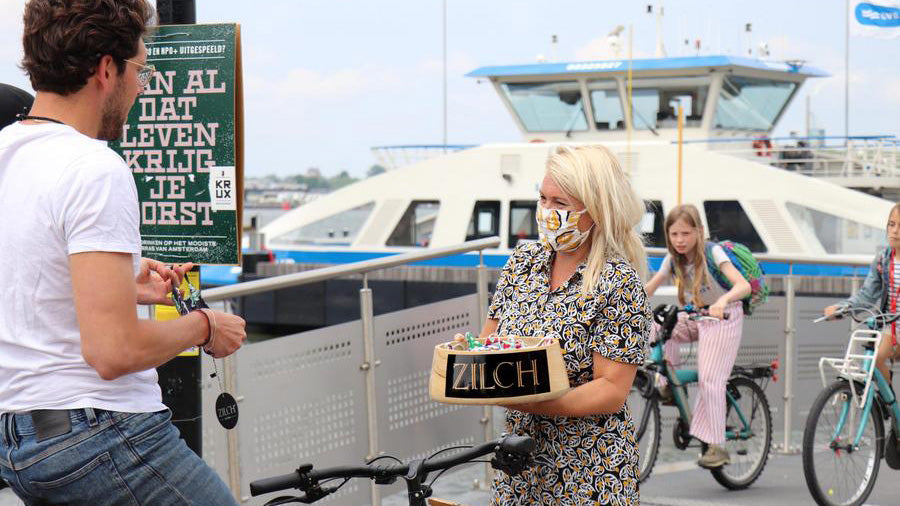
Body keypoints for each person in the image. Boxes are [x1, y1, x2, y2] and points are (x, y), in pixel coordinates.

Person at [0, 1, 247, 504]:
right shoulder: (95, 167)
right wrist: (205, 327)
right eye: (140, 70)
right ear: (106, 69)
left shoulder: (8, 152)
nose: (142, 86)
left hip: (20, 438)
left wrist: (124, 287)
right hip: (98, 432)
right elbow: (113, 353)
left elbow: (24, 281)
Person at [485, 145, 650, 505]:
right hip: (519, 466)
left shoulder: (617, 282)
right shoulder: (523, 262)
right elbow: (489, 345)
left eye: (560, 203)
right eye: (543, 199)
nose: (546, 212)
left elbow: (611, 389)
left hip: (589, 471)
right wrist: (469, 362)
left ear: (596, 209)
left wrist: (536, 404)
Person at [643, 204, 751, 469]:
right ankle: (668, 383)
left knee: (710, 379)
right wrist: (626, 303)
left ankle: (717, 446)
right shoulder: (673, 259)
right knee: (654, 327)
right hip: (698, 316)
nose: (679, 240)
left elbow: (743, 286)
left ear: (699, 232)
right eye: (674, 234)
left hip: (724, 317)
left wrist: (723, 300)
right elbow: (653, 284)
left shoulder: (713, 253)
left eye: (686, 234)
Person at [824, 202, 900, 389]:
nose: (895, 231)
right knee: (873, 359)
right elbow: (867, 295)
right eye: (891, 224)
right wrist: (842, 308)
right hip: (891, 329)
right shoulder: (883, 259)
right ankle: (890, 405)